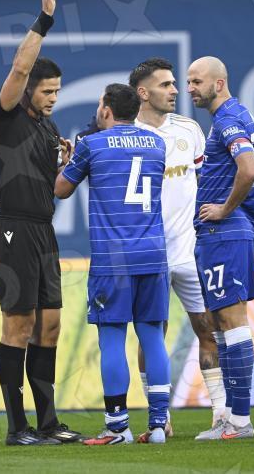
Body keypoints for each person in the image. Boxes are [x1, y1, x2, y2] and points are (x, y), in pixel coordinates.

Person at [0, 0, 83, 446]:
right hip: (11, 230)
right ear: (26, 90)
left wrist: (64, 163)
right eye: (46, 91)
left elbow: (55, 192)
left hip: (43, 231)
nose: (52, 98)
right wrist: (45, 19)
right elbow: (21, 65)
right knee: (19, 326)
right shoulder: (5, 113)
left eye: (57, 91)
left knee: (50, 326)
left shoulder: (49, 128)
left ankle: (48, 423)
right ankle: (16, 427)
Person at [55, 84, 171, 445]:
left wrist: (66, 162)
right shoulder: (157, 144)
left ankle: (118, 427)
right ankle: (158, 426)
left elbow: (61, 189)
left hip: (113, 260)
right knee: (153, 337)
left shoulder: (91, 144)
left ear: (106, 110)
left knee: (112, 339)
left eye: (99, 104)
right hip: (153, 254)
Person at [129, 58, 226, 440]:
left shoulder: (189, 129)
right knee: (152, 336)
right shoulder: (126, 134)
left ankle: (221, 414)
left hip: (189, 252)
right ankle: (160, 417)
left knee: (209, 329)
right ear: (143, 93)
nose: (175, 91)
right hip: (149, 255)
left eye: (175, 83)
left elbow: (206, 182)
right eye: (166, 85)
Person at [186, 56, 254, 441]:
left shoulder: (226, 121)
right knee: (221, 324)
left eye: (196, 81)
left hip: (223, 233)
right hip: (224, 234)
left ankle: (240, 420)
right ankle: (232, 419)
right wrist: (243, 210)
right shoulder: (243, 116)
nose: (190, 88)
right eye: (188, 81)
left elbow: (251, 168)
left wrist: (228, 209)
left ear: (218, 83)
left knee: (233, 323)